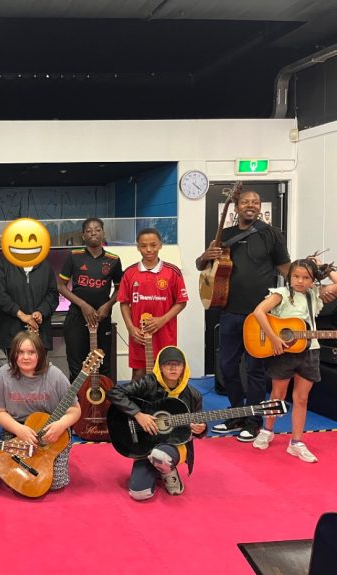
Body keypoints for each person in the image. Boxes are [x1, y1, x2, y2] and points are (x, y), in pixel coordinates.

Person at [196, 190, 290, 442]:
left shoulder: (272, 235)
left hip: (259, 316)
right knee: (227, 368)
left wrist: (307, 280)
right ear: (236, 207)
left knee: (255, 370)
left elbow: (286, 269)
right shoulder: (224, 235)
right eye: (246, 202)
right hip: (229, 312)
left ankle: (253, 421)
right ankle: (237, 413)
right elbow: (201, 265)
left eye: (255, 202)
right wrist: (206, 256)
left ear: (260, 207)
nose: (251, 205)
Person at [251, 258, 337, 462]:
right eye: (296, 276)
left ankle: (296, 442)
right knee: (278, 394)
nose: (300, 281)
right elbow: (258, 312)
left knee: (302, 398)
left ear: (313, 280)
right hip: (283, 352)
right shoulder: (281, 294)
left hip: (310, 351)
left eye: (306, 277)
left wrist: (324, 269)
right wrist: (273, 337)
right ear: (289, 276)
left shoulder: (314, 294)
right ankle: (267, 430)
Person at [107, 346, 206, 500]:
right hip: (145, 444)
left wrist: (201, 429)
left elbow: (198, 424)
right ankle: (158, 466)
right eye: (168, 364)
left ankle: (167, 469)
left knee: (160, 455)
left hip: (175, 445)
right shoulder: (148, 383)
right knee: (139, 493)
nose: (173, 368)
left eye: (178, 364)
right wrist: (138, 414)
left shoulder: (193, 395)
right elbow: (114, 392)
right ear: (160, 367)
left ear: (184, 368)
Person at [0, 331, 81, 491]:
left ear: (40, 353)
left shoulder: (55, 375)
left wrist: (61, 425)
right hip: (17, 429)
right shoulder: (3, 374)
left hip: (51, 433)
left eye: (31, 352)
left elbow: (75, 409)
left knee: (54, 483)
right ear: (13, 354)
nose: (25, 357)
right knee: (11, 478)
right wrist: (19, 430)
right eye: (20, 352)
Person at [58, 217, 123, 382]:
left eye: (97, 229)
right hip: (77, 317)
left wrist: (108, 304)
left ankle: (102, 399)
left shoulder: (114, 260)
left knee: (103, 365)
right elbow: (61, 286)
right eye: (89, 230)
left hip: (102, 318)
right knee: (76, 365)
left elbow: (120, 288)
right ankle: (77, 399)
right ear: (83, 236)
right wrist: (83, 305)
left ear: (103, 233)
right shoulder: (74, 256)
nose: (93, 233)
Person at [118, 227, 188, 382]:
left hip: (165, 334)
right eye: (143, 246)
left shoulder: (173, 272)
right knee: (138, 375)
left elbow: (181, 302)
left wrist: (162, 320)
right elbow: (124, 303)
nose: (149, 249)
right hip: (139, 335)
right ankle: (137, 400)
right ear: (138, 247)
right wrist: (130, 328)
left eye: (153, 245)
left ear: (160, 245)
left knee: (166, 376)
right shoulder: (129, 273)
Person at [0, 250, 59, 355]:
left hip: (40, 332)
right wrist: (21, 315)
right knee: (16, 365)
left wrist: (41, 312)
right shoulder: (2, 265)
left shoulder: (45, 266)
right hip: (11, 331)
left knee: (39, 365)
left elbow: (53, 294)